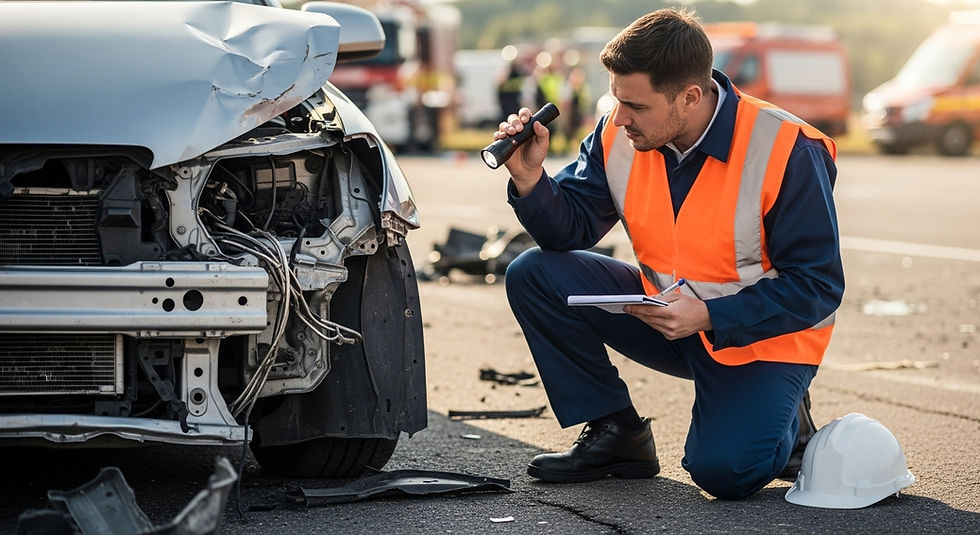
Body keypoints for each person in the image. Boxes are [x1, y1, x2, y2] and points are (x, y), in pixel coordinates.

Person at [489, 7, 843, 500]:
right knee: (533, 273)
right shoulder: (621, 133)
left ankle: (791, 422)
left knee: (724, 473)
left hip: (761, 339)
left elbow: (818, 286)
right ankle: (618, 435)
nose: (620, 117)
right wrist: (530, 180)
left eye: (635, 105)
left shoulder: (787, 147)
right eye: (616, 99)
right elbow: (570, 229)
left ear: (690, 97)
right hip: (667, 317)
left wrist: (710, 315)